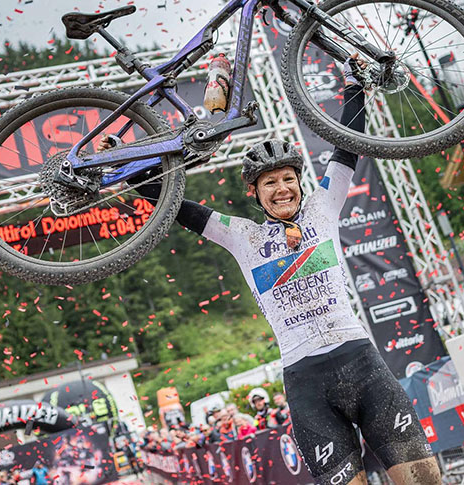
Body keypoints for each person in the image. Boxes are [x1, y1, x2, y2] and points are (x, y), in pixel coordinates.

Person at [123, 58, 440, 485]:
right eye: (269, 183)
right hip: (307, 384)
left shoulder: (323, 207)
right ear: (254, 192)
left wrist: (353, 84)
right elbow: (177, 206)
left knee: (425, 480)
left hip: (362, 363)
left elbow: (347, 146)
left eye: (288, 178)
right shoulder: (243, 236)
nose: (282, 188)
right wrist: (122, 167)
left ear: (299, 182)